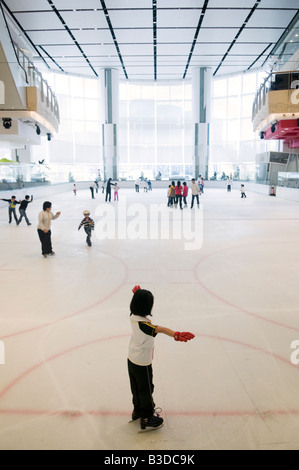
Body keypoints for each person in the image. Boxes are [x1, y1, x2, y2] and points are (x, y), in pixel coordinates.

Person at [128, 285, 195, 431]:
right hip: (142, 362)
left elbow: (137, 305)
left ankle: (137, 410)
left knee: (136, 387)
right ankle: (147, 416)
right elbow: (160, 329)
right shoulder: (143, 324)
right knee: (146, 388)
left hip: (132, 358)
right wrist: (176, 334)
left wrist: (137, 294)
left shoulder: (133, 315)